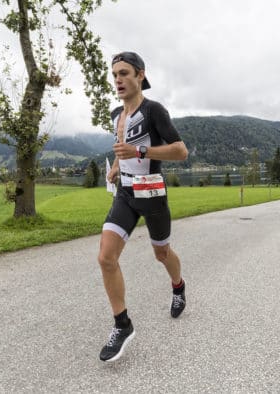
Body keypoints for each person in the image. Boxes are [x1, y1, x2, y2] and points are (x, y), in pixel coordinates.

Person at [97, 51, 189, 362]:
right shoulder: (114, 115)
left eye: (124, 73)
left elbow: (180, 151)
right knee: (106, 258)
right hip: (125, 194)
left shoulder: (154, 111)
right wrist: (114, 169)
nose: (118, 80)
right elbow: (122, 153)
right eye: (114, 75)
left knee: (161, 253)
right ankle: (122, 325)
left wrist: (140, 151)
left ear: (140, 75)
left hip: (151, 194)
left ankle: (178, 287)